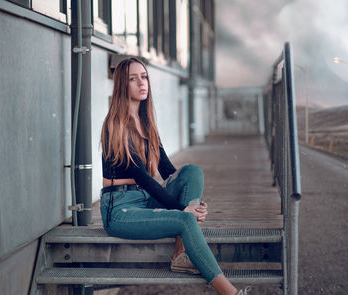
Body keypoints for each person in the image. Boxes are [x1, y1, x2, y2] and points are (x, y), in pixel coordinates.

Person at [100, 57, 246, 295]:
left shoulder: (146, 124)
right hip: (119, 210)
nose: (141, 83)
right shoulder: (114, 125)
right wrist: (183, 210)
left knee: (192, 171)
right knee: (185, 219)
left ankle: (180, 252)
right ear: (121, 87)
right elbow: (144, 178)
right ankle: (230, 292)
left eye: (144, 77)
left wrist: (192, 204)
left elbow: (168, 172)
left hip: (144, 201)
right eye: (132, 79)